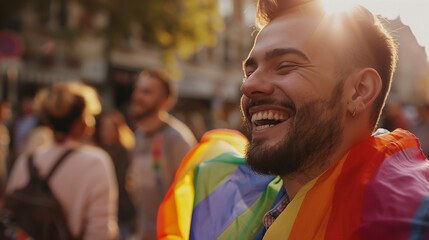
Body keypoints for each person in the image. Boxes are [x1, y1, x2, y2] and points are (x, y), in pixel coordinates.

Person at [157, 0, 429, 239]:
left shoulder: (409, 221)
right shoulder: (243, 198)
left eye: (285, 66)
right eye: (250, 71)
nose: (248, 86)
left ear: (359, 91)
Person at [5, 82, 119, 240]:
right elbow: (100, 231)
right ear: (82, 120)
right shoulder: (96, 162)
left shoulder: (26, 160)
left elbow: (9, 216)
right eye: (91, 115)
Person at [129, 69, 197, 240]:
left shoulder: (177, 139)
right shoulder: (138, 137)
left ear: (166, 101)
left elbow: (191, 194)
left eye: (147, 92)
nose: (138, 97)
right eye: (137, 90)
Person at [94, 110, 136, 240]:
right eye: (103, 129)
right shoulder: (95, 153)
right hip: (100, 212)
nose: (106, 133)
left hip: (122, 213)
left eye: (110, 129)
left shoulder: (126, 153)